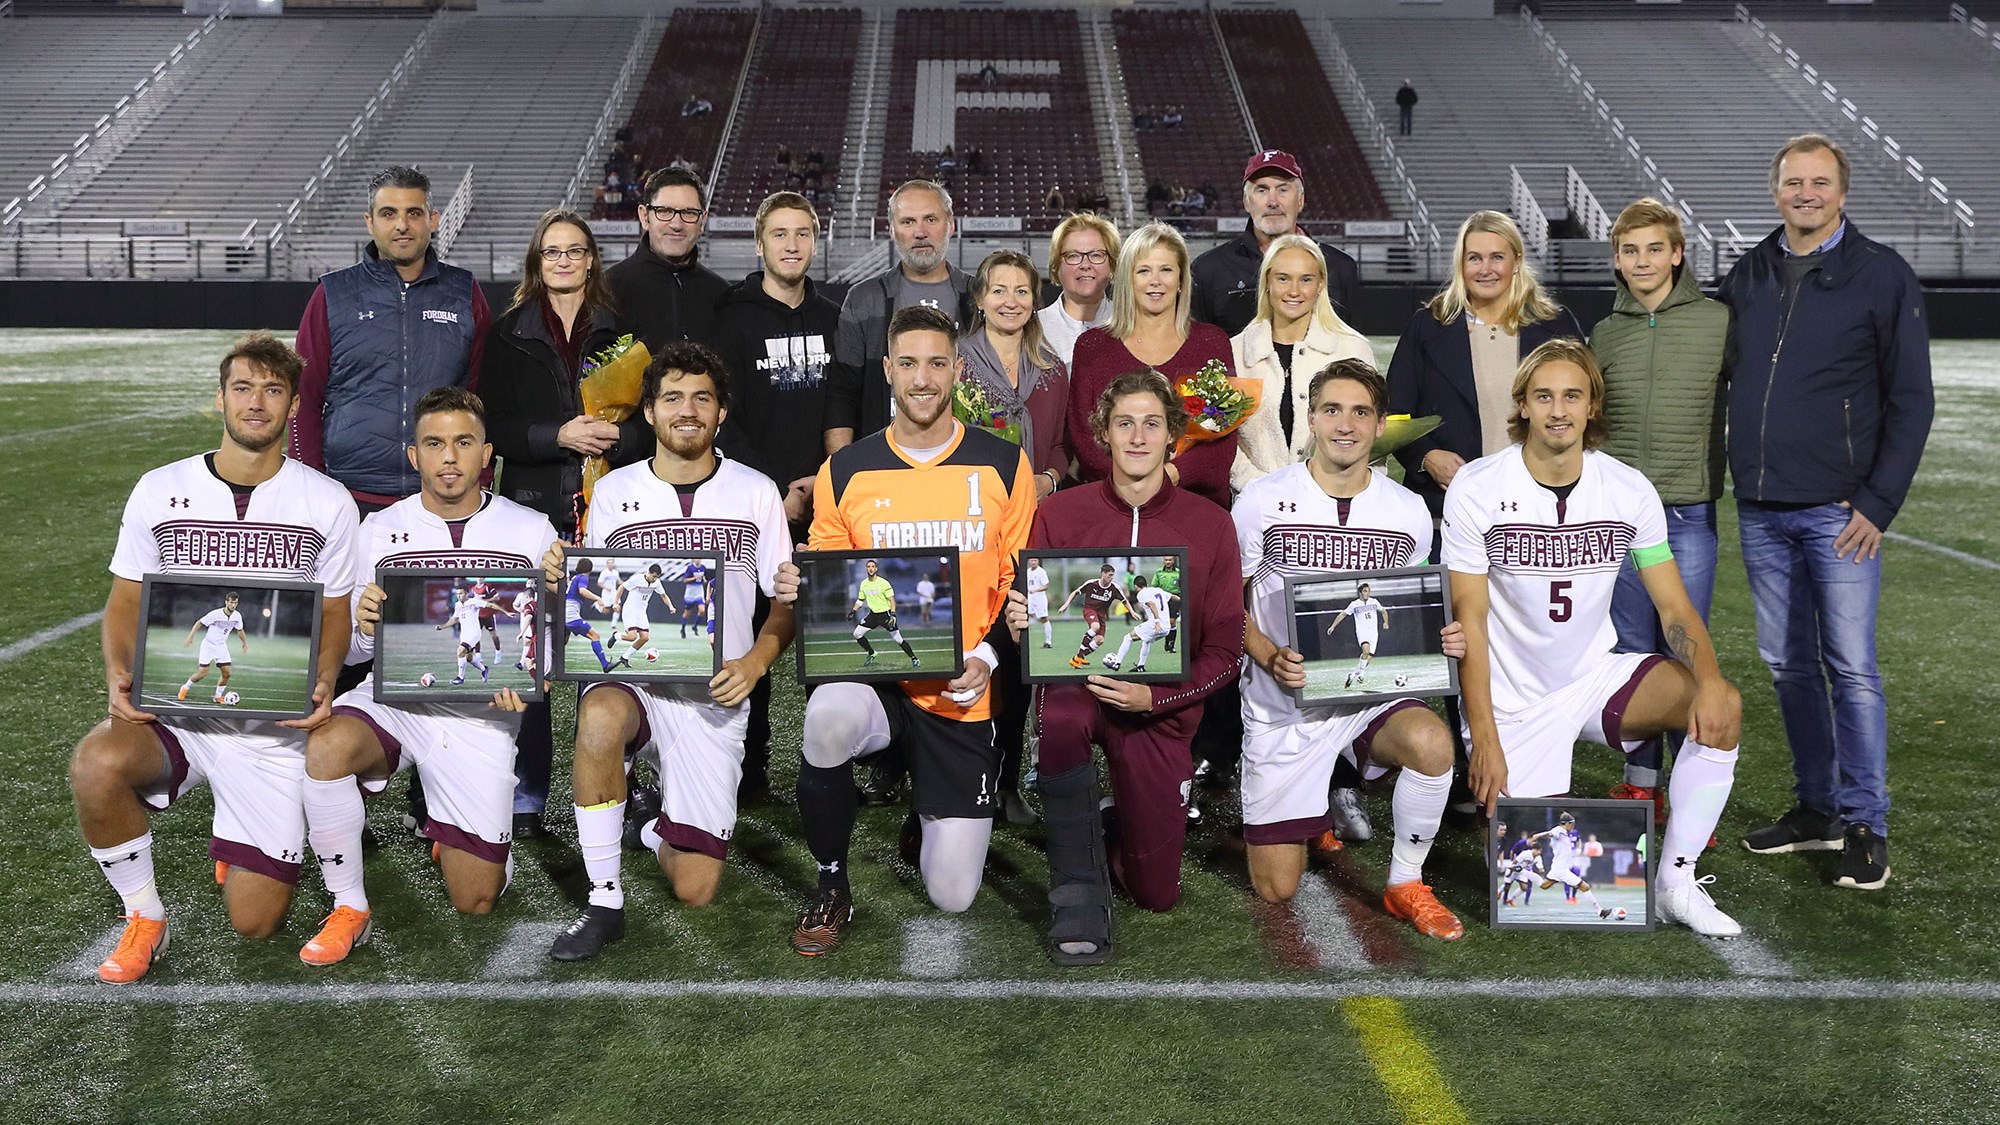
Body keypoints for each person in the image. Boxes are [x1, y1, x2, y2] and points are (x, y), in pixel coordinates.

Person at [71, 332, 359, 984]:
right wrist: (117, 671)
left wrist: (324, 674)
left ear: (292, 405)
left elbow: (335, 612)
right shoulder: (160, 488)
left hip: (271, 727)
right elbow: (124, 599)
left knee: (255, 921)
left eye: (273, 389)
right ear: (220, 398)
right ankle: (144, 914)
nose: (256, 402)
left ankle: (241, 826)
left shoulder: (327, 501)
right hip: (176, 713)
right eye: (243, 387)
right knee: (96, 764)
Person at [1444, 338, 1744, 936]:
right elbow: (1469, 621)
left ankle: (1675, 885)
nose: (1559, 409)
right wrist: (1484, 737)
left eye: (1572, 396)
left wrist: (1708, 682)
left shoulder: (1628, 489)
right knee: (1531, 892)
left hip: (1591, 677)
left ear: (1591, 407)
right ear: (1523, 405)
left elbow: (1674, 607)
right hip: (1512, 698)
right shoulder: (1477, 487)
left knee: (1723, 705)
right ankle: (1523, 801)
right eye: (1544, 396)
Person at [773, 306, 1036, 957]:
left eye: (936, 363)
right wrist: (802, 583)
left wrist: (986, 657)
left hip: (962, 688)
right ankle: (832, 883)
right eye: (909, 363)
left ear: (958, 369)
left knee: (952, 894)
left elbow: (1022, 584)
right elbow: (829, 573)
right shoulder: (847, 470)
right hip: (878, 679)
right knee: (827, 719)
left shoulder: (1004, 465)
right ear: (888, 369)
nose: (922, 378)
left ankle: (928, 811)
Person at [1721, 134, 1932, 891]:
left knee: (1851, 667)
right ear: (1774, 189)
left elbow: (1912, 400)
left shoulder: (1881, 275)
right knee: (1786, 664)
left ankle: (1866, 820)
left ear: (1842, 192)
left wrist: (1878, 503)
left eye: (1819, 183)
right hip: (1761, 506)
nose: (1804, 194)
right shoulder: (1748, 270)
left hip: (1839, 513)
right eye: (1791, 182)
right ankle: (1817, 809)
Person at [544, 342, 795, 961]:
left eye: (701, 398)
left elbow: (784, 604)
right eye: (673, 398)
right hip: (638, 683)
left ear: (722, 412)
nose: (688, 410)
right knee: (599, 716)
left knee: (696, 887)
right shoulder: (612, 493)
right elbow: (591, 608)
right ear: (650, 413)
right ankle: (604, 901)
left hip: (714, 696)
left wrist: (755, 663)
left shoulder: (756, 492)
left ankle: (652, 822)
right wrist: (560, 581)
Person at [293, 387, 560, 966]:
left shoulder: (532, 530)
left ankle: (470, 838)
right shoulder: (375, 531)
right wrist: (362, 623)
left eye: (463, 443)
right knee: (327, 746)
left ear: (485, 454)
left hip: (481, 716)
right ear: (413, 456)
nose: (448, 458)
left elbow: (549, 644)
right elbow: (358, 650)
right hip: (395, 698)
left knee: (477, 899)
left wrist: (537, 673)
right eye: (434, 444)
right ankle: (348, 906)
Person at [1005, 369, 1242, 963]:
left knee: (1155, 894)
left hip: (1159, 710)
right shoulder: (1061, 513)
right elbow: (1043, 625)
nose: (1138, 437)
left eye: (1152, 424)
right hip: (1079, 692)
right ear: (1103, 435)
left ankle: (1111, 822)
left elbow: (1226, 650)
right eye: (1124, 423)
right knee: (1060, 717)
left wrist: (1154, 700)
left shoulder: (1210, 523)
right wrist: (1023, 629)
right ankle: (1077, 891)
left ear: (1173, 438)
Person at [1234, 358, 1465, 940]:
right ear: (1310, 419)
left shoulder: (1408, 512)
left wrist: (1441, 636)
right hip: (1282, 705)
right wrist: (1265, 653)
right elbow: (1222, 612)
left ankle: (1406, 881)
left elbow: (1407, 614)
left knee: (1432, 743)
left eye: (1360, 412)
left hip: (1367, 698)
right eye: (1332, 409)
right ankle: (1309, 807)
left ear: (1380, 424)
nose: (1345, 424)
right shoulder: (1259, 502)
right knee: (1277, 888)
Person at [481, 209, 647, 838]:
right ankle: (526, 799)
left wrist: (617, 436)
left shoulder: (625, 334)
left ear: (591, 260)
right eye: (552, 252)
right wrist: (558, 435)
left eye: (576, 251)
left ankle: (612, 791)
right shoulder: (506, 336)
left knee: (604, 654)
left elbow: (648, 421)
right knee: (530, 659)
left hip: (608, 510)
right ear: (537, 261)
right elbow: (491, 427)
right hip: (530, 508)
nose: (564, 261)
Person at [1592, 198, 1728, 808]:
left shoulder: (1718, 321)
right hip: (1620, 520)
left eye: (1655, 248)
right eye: (1630, 250)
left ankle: (1690, 786)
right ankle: (1642, 785)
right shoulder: (1606, 331)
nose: (1642, 260)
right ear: (1616, 259)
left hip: (1686, 513)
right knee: (1630, 650)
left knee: (1686, 648)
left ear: (1677, 254)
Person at [712, 191, 839, 797]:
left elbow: (844, 409)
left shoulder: (835, 316)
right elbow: (722, 417)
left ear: (817, 242)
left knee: (829, 637)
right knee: (754, 634)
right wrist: (772, 493)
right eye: (780, 234)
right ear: (759, 243)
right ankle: (750, 766)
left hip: (826, 501)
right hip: (754, 504)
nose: (792, 245)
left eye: (803, 234)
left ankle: (830, 766)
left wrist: (824, 484)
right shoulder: (732, 317)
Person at [293, 165, 488, 514]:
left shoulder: (464, 292)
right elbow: (303, 398)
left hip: (440, 498)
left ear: (433, 219)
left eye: (414, 213)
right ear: (370, 222)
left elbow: (485, 398)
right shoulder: (332, 294)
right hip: (347, 497)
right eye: (389, 214)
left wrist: (480, 483)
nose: (402, 225)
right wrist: (310, 483)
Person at [1388, 210, 1588, 520]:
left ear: (1517, 261)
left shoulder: (1556, 326)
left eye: (1497, 257)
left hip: (1540, 507)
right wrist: (1426, 456)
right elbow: (1396, 415)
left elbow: (1586, 406)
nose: (1485, 269)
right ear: (1461, 264)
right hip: (1448, 507)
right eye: (1474, 258)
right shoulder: (1426, 328)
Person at [1067, 222, 1237, 510]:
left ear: (1182, 278)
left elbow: (1222, 442)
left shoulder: (1212, 343)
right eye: (1143, 271)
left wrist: (1167, 477)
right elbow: (1084, 440)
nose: (1155, 280)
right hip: (1113, 507)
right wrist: (1132, 488)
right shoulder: (1093, 347)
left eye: (1166, 270)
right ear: (1128, 280)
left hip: (1195, 506)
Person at [824, 180, 972, 453]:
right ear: (892, 230)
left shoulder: (978, 297)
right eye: (907, 222)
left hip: (964, 459)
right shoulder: (864, 299)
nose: (920, 232)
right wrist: (840, 469)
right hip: (884, 462)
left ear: (950, 224)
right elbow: (842, 393)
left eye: (930, 219)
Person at [1229, 233, 1373, 493]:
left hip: (1333, 503)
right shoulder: (1235, 351)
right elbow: (1223, 442)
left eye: (1306, 279)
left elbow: (1370, 436)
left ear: (1320, 285)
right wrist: (1262, 488)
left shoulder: (1353, 349)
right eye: (1283, 278)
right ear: (1267, 283)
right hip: (1254, 502)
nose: (1294, 291)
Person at [1191, 150, 1361, 334]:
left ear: (1301, 200)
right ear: (1247, 202)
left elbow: (1353, 349)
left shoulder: (1340, 268)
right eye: (1262, 190)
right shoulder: (1207, 269)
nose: (1273, 201)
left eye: (1283, 189)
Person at [606, 167, 728, 354]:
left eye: (688, 213)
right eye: (664, 211)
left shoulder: (723, 296)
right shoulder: (606, 290)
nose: (676, 225)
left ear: (702, 221)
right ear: (644, 217)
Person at [1037, 213, 1121, 368]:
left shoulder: (1129, 323)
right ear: (1057, 266)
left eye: (1096, 255)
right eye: (1073, 256)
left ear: (1112, 264)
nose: (1085, 265)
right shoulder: (1035, 328)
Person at [175, 591, 246, 703]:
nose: (233, 605)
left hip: (221, 646)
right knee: (202, 673)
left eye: (236, 603)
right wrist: (190, 637)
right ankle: (185, 687)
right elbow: (199, 623)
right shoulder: (215, 614)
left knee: (227, 673)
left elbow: (240, 630)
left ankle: (217, 696)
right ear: (226, 602)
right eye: (231, 602)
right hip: (208, 645)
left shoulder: (237, 616)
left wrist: (244, 643)